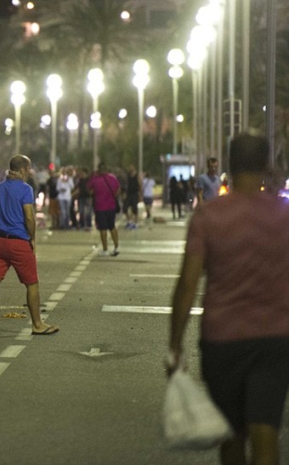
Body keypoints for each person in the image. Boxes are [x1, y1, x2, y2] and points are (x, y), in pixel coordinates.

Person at [168, 134, 289, 465]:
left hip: (223, 340)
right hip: (275, 337)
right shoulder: (284, 214)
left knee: (232, 431)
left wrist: (175, 344)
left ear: (228, 166)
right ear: (266, 165)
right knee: (266, 430)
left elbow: (187, 284)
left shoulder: (209, 217)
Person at [0, 155, 58, 336]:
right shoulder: (26, 189)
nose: (30, 172)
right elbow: (29, 217)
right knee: (32, 284)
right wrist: (32, 238)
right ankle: (37, 324)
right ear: (23, 170)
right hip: (19, 242)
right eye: (29, 168)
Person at [87, 161, 120, 257]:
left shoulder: (95, 180)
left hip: (100, 207)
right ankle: (116, 247)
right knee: (112, 226)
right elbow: (118, 189)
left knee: (103, 228)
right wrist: (113, 196)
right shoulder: (113, 178)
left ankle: (105, 249)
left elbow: (89, 190)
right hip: (111, 206)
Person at [123, 165, 140, 229]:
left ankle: (136, 222)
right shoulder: (128, 176)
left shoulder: (137, 176)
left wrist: (140, 194)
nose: (130, 169)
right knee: (125, 208)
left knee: (134, 208)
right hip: (128, 193)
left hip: (135, 193)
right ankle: (129, 220)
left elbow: (140, 184)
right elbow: (126, 184)